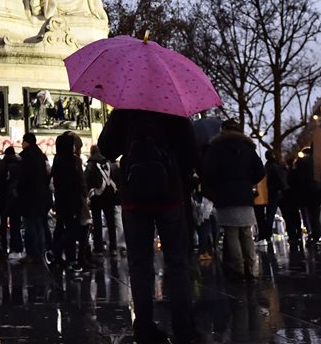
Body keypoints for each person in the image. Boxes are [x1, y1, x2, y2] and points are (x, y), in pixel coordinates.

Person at [99, 108, 200, 344]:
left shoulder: (123, 110)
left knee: (139, 264)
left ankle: (144, 327)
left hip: (134, 196)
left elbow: (107, 148)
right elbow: (191, 152)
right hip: (170, 195)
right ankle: (183, 327)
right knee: (177, 262)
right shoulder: (171, 109)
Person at [201, 120, 264, 282]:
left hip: (225, 194)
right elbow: (260, 171)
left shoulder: (216, 148)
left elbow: (208, 173)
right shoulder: (248, 148)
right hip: (244, 193)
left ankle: (238, 268)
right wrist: (248, 181)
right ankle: (251, 266)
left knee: (231, 232)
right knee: (246, 232)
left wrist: (217, 185)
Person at [51, 131, 89, 272]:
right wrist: (84, 195)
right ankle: (56, 251)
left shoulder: (57, 160)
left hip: (61, 200)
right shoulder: (74, 161)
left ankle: (69, 259)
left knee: (64, 229)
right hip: (73, 201)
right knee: (73, 231)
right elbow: (80, 182)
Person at [17, 133, 51, 264]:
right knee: (40, 224)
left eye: (23, 141)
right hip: (40, 195)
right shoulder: (41, 156)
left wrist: (19, 189)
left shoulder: (26, 157)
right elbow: (47, 175)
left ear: (27, 142)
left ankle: (32, 253)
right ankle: (41, 251)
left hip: (28, 197)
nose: (21, 144)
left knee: (29, 225)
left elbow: (23, 178)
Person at [85, 146, 118, 255]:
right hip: (109, 196)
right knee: (111, 222)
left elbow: (86, 180)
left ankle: (98, 248)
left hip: (96, 197)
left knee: (97, 222)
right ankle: (113, 247)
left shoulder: (90, 164)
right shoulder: (108, 163)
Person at [0, 146, 23, 254]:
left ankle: (3, 246)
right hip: (15, 198)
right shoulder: (19, 164)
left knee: (3, 224)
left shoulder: (1, 163)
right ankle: (16, 247)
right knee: (15, 224)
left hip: (3, 198)